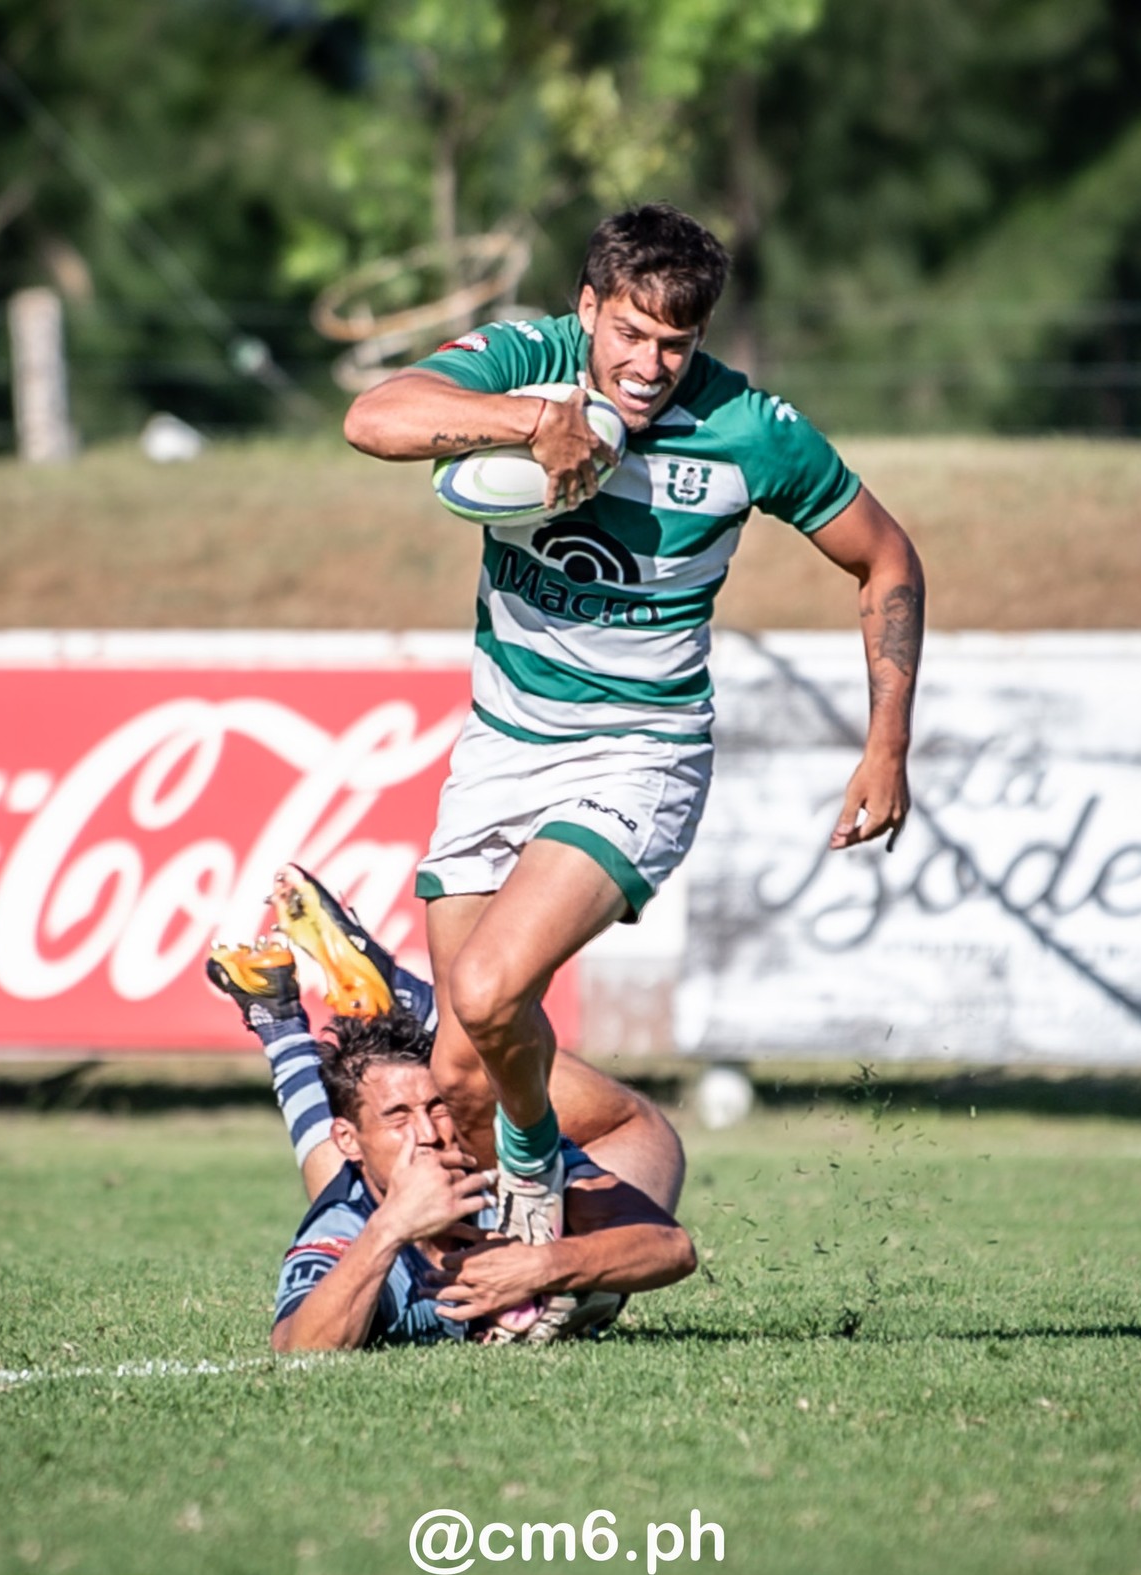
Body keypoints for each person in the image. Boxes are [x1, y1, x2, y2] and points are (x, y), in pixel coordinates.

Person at [341, 202, 925, 1259]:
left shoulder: (749, 429)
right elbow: (373, 417)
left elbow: (885, 558)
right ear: (587, 309)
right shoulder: (531, 359)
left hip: (639, 753)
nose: (650, 364)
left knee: (485, 988)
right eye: (629, 333)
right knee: (459, 1066)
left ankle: (534, 1161)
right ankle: (549, 1281)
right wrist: (529, 423)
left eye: (676, 342)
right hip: (501, 745)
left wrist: (885, 743)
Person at [207, 869, 695, 1350]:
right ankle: (299, 1015)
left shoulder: (499, 1161)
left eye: (439, 1108)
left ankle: (337, 1010)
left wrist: (547, 1264)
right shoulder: (345, 1229)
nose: (428, 1133)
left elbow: (671, 1248)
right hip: (368, 1197)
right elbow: (297, 1350)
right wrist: (391, 1227)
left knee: (631, 1127)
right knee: (356, 1156)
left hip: (400, 1165)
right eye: (402, 1117)